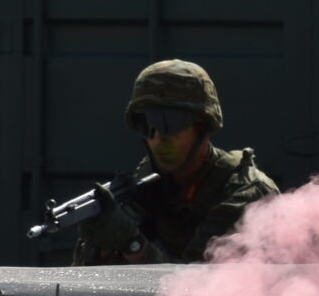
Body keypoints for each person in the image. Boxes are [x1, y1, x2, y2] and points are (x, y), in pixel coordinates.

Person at [73, 59, 278, 265]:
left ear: (203, 126)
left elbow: (201, 289)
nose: (157, 137)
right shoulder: (149, 183)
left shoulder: (247, 194)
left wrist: (132, 243)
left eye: (168, 122)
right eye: (145, 123)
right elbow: (89, 286)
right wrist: (102, 247)